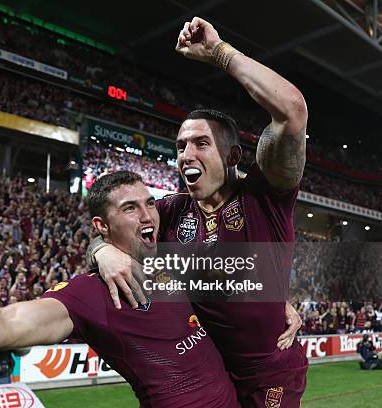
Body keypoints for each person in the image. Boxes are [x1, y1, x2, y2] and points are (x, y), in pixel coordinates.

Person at [0, 171, 239, 407]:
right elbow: (6, 323)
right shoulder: (91, 293)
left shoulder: (175, 262)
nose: (148, 214)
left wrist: (280, 306)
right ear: (102, 226)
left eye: (149, 203)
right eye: (130, 208)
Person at [86, 17, 308, 408]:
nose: (186, 154)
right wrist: (100, 251)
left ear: (233, 156)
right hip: (209, 372)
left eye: (201, 143)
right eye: (180, 146)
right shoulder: (171, 210)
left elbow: (291, 112)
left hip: (271, 375)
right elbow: (111, 229)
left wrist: (219, 53)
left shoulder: (264, 196)